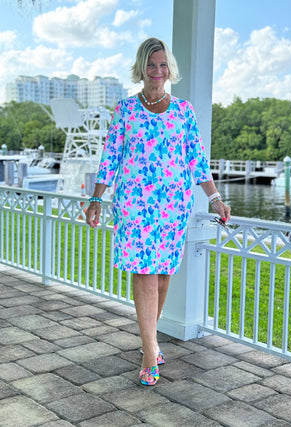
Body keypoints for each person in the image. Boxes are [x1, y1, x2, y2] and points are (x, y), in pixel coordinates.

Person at [86, 37, 231, 386]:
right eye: (151, 65)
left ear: (169, 69)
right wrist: (95, 199)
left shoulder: (183, 111)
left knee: (163, 274)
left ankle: (148, 340)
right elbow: (110, 158)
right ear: (142, 68)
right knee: (144, 273)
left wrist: (215, 199)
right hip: (134, 204)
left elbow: (196, 160)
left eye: (163, 65)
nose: (157, 71)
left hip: (172, 205)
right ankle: (150, 352)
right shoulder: (125, 110)